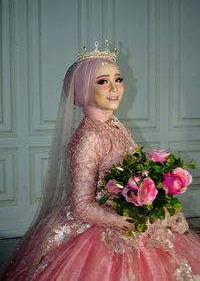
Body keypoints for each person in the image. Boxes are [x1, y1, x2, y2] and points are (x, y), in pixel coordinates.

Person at [1, 41, 200, 281]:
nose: (114, 88)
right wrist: (126, 220)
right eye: (103, 81)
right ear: (84, 88)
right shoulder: (89, 136)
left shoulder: (115, 125)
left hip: (124, 211)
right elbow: (82, 206)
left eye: (118, 79)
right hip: (100, 224)